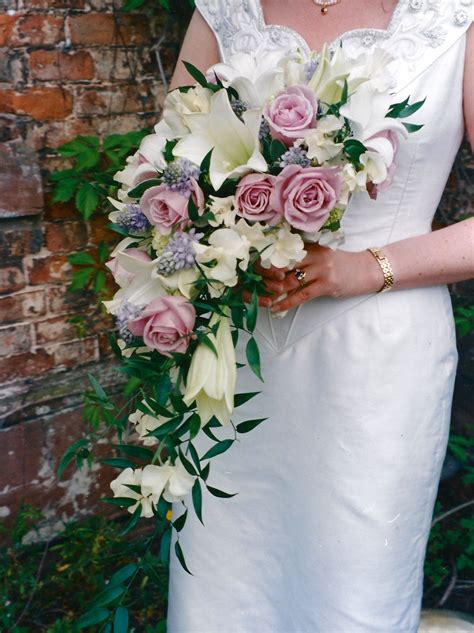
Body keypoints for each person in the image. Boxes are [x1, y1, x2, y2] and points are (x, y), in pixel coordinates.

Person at [165, 1, 474, 631]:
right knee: (225, 576)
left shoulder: (455, 16)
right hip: (234, 353)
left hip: (378, 356)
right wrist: (211, 243)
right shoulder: (224, 10)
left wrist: (368, 266)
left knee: (351, 582)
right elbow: (170, 172)